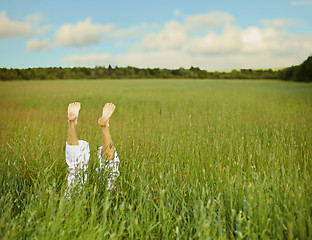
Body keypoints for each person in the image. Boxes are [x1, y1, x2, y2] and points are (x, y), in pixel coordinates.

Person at [65, 102, 120, 196]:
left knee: (76, 170)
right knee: (110, 175)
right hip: (107, 207)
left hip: (72, 208)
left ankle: (72, 123)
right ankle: (105, 126)